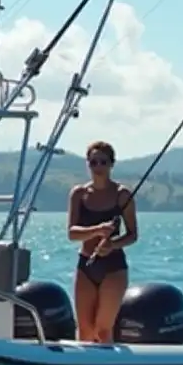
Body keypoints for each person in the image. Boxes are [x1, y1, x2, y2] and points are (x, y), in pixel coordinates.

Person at [67, 140, 140, 343]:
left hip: (114, 267)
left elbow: (133, 234)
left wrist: (113, 244)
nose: (98, 167)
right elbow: (72, 233)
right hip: (86, 265)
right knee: (84, 329)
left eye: (103, 162)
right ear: (88, 164)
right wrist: (97, 230)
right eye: (93, 162)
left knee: (103, 329)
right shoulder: (79, 194)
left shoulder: (122, 195)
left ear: (111, 164)